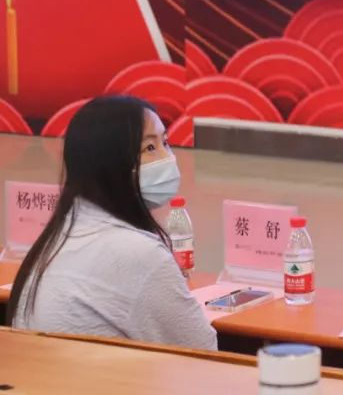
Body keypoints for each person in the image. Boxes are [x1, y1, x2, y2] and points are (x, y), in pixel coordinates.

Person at [8, 95, 217, 350]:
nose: (168, 158)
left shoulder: (60, 235)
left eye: (165, 142)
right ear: (111, 163)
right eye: (150, 148)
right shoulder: (138, 253)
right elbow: (204, 351)